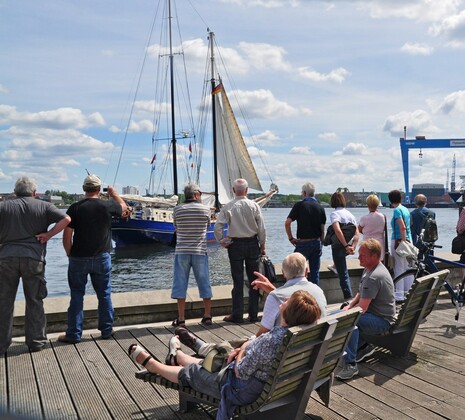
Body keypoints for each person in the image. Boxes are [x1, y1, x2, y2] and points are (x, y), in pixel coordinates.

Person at [128, 290, 322, 419]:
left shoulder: (271, 341)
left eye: (288, 301)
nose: (284, 301)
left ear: (289, 314)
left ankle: (153, 365)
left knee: (194, 371)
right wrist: (242, 350)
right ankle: (177, 355)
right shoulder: (297, 336)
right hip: (271, 383)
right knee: (215, 360)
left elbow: (242, 371)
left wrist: (241, 352)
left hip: (243, 388)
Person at [0, 177, 70, 353]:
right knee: (34, 301)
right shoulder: (44, 206)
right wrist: (48, 234)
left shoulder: (4, 206)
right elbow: (66, 219)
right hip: (34, 258)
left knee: (4, 302)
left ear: (15, 192)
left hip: (7, 258)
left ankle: (1, 344)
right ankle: (36, 342)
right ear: (33, 192)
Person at [59, 175, 127, 343]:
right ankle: (106, 331)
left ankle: (74, 334)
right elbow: (124, 208)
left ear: (84, 189)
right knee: (104, 294)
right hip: (102, 257)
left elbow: (67, 236)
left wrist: (69, 253)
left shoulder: (74, 208)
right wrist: (114, 193)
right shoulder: (108, 205)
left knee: (76, 295)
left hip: (78, 258)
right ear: (98, 189)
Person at [335, 239, 396, 380]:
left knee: (349, 321)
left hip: (383, 321)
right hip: (378, 314)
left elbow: (361, 309)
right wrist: (349, 306)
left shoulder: (373, 277)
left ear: (374, 256)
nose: (359, 258)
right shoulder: (370, 269)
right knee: (346, 310)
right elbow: (360, 292)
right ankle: (362, 347)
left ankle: (350, 365)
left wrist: (347, 313)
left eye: (363, 255)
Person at [214, 178, 267, 324]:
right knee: (254, 281)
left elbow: (218, 226)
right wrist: (262, 245)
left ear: (233, 190)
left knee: (237, 281)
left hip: (235, 245)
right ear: (247, 190)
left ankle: (237, 315)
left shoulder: (228, 206)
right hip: (252, 244)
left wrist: (222, 241)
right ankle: (253, 315)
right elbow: (261, 228)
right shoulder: (254, 206)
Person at [249, 252, 327, 336]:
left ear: (283, 273)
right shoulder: (318, 290)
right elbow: (297, 301)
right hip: (317, 344)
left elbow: (262, 334)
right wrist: (274, 291)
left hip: (287, 347)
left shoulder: (275, 297)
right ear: (306, 271)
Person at [171, 183, 212, 327]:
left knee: (180, 284)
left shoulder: (177, 210)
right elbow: (207, 226)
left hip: (181, 251)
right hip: (199, 251)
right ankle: (207, 315)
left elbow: (176, 227)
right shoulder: (206, 209)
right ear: (196, 195)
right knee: (204, 281)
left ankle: (181, 318)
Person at [285, 182, 326, 284]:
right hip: (316, 242)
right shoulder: (320, 207)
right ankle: (314, 296)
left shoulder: (299, 205)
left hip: (302, 243)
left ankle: (297, 294)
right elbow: (322, 227)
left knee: (295, 271)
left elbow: (287, 223)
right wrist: (321, 242)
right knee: (315, 272)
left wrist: (291, 238)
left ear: (304, 193)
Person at [328, 191, 359, 299]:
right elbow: (356, 233)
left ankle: (349, 299)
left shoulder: (334, 214)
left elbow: (337, 230)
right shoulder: (350, 214)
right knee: (341, 266)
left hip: (339, 246)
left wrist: (345, 246)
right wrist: (353, 247)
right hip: (348, 244)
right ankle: (334, 266)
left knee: (343, 275)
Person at [388, 190, 413, 302]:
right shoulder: (405, 209)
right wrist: (407, 242)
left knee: (398, 267)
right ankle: (410, 292)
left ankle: (399, 294)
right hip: (409, 240)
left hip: (399, 240)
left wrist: (402, 242)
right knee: (408, 267)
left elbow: (402, 226)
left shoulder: (397, 210)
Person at [358, 194, 387, 261]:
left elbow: (359, 229)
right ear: (377, 204)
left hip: (367, 244)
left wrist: (366, 232)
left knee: (367, 262)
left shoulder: (364, 218)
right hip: (380, 244)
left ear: (367, 205)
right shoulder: (383, 217)